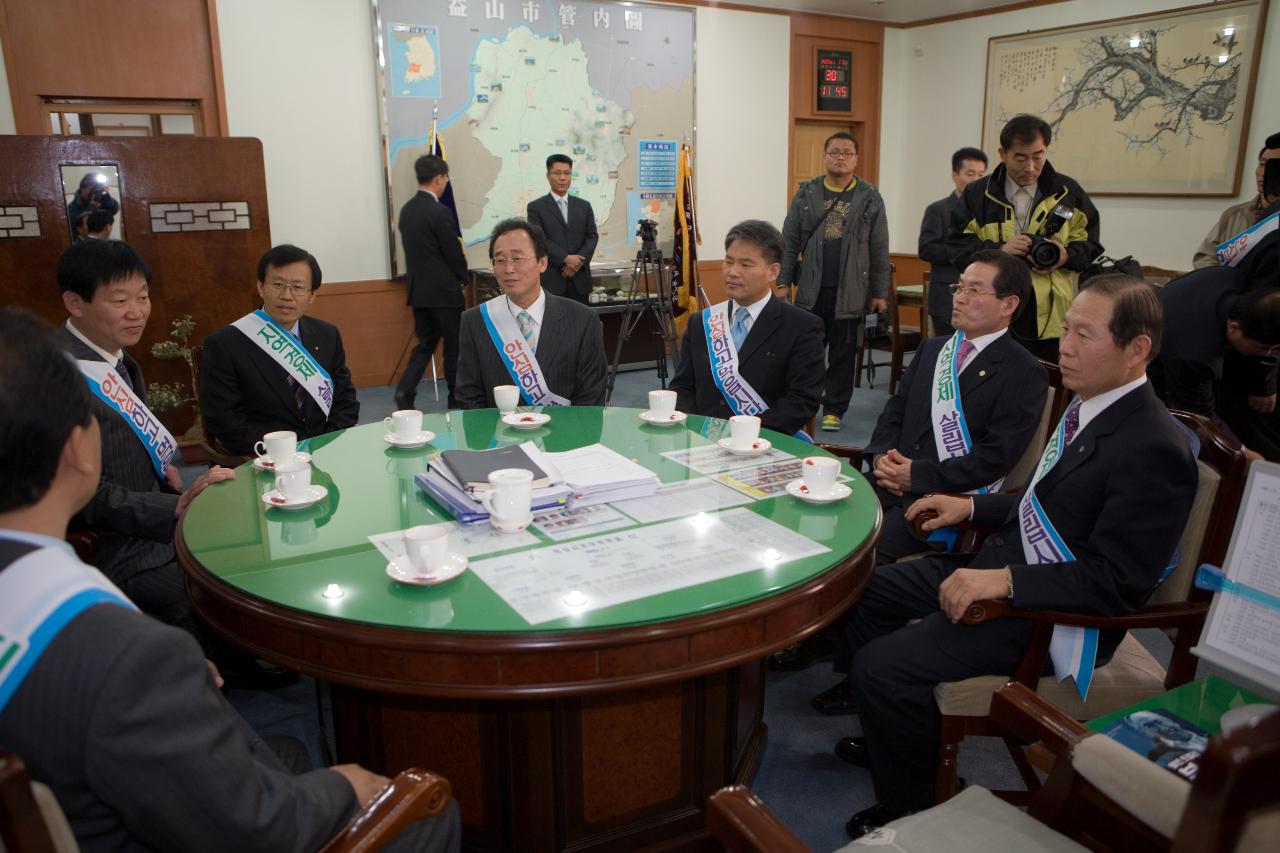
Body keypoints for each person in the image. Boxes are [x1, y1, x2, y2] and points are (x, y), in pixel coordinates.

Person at [0, 307, 461, 853]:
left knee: (277, 752)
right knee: (429, 809)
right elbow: (261, 829)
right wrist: (345, 784)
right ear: (78, 449)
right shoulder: (126, 659)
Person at [833, 276, 1198, 840]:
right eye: (1066, 329)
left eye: (1083, 334)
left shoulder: (1153, 445)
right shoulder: (1090, 408)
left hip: (1055, 618)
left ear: (1137, 350)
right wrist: (970, 507)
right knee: (864, 591)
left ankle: (916, 803)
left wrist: (1004, 581)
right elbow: (1047, 506)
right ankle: (904, 737)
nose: (1065, 347)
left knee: (882, 668)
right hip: (1007, 567)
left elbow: (1117, 583)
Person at [949, 114, 1102, 363]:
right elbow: (955, 247)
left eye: (1037, 156)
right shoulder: (978, 194)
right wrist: (1000, 251)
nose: (1030, 167)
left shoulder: (1067, 192)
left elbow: (1091, 245)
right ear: (1003, 153)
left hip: (1049, 315)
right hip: (991, 308)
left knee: (1044, 384)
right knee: (987, 378)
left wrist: (1064, 255)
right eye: (1020, 158)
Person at [670, 220, 825, 436]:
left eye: (745, 264)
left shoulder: (802, 327)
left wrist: (744, 434)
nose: (732, 272)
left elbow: (802, 401)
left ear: (773, 272)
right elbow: (682, 387)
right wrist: (697, 428)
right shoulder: (702, 322)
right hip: (702, 440)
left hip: (764, 442)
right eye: (728, 261)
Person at [200, 244, 360, 455]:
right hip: (263, 460)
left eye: (297, 287)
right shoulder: (224, 344)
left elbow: (345, 402)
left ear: (311, 295)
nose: (287, 295)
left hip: (324, 453)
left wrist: (323, 444)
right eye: (278, 284)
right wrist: (287, 451)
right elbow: (225, 421)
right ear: (260, 287)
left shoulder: (327, 335)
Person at [778, 131, 890, 432]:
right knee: (807, 351)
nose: (840, 157)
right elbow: (789, 241)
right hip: (812, 290)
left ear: (856, 158)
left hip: (853, 290)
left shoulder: (869, 196)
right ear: (825, 156)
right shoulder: (806, 193)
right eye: (834, 152)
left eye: (847, 152)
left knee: (843, 352)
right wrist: (782, 281)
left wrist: (879, 292)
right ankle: (804, 404)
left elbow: (879, 247)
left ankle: (834, 408)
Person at [455, 218, 607, 408]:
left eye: (518, 259)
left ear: (542, 262)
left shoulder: (583, 320)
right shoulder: (475, 321)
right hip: (499, 435)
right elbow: (469, 398)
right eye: (500, 260)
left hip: (564, 435)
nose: (509, 269)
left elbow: (591, 399)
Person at [1150, 267, 1280, 462]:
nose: (1266, 355)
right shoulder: (1194, 355)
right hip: (1155, 378)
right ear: (1235, 328)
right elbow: (1199, 418)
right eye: (1262, 349)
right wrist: (1243, 453)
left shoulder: (1232, 276)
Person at [395, 154, 470, 411]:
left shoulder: (407, 210)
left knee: (425, 344)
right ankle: (455, 397)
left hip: (419, 292)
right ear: (438, 178)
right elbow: (452, 252)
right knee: (453, 347)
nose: (446, 183)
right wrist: (464, 276)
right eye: (445, 178)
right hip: (444, 293)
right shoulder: (439, 212)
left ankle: (404, 391)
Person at [918, 147, 988, 336]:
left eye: (981, 174)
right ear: (955, 175)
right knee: (948, 353)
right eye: (970, 173)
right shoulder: (938, 209)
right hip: (947, 295)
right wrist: (963, 252)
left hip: (982, 297)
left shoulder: (989, 212)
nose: (976, 180)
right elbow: (926, 249)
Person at [1192, 133, 1280, 268]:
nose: (1264, 173)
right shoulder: (1234, 214)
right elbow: (1204, 257)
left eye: (1274, 168)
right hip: (1231, 286)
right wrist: (1223, 281)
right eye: (1262, 164)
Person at [526, 154, 599, 304]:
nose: (562, 178)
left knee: (580, 324)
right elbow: (539, 239)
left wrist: (576, 263)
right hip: (552, 280)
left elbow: (592, 237)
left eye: (567, 173)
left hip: (580, 280)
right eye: (557, 173)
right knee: (554, 325)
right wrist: (565, 259)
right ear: (548, 175)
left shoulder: (584, 206)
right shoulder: (536, 207)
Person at [66, 172, 119, 241]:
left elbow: (115, 209)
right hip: (83, 244)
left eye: (98, 189)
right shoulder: (72, 208)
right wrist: (91, 207)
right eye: (93, 188)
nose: (95, 192)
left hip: (103, 242)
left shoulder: (100, 200)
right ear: (82, 189)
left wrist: (108, 199)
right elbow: (76, 225)